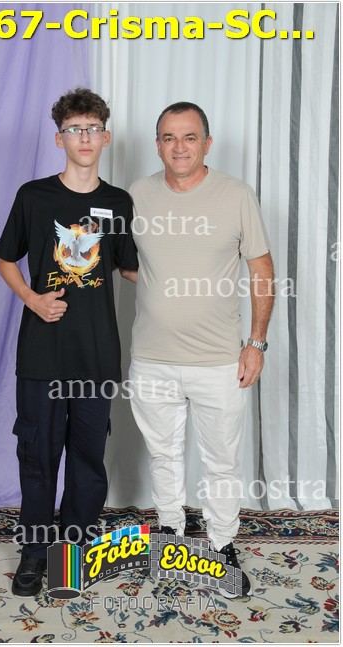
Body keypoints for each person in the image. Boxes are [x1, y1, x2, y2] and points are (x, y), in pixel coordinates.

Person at [127, 102, 274, 598]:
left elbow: (261, 270)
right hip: (152, 358)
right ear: (157, 145)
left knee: (221, 461)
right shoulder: (137, 195)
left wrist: (256, 343)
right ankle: (170, 535)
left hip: (219, 360)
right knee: (163, 454)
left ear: (207, 143)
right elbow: (126, 262)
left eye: (189, 137)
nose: (179, 147)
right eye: (169, 137)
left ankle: (221, 543)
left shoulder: (236, 194)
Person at [0, 88, 138, 597]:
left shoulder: (118, 203)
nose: (84, 137)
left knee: (87, 458)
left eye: (92, 128)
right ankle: (35, 553)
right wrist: (33, 300)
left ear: (106, 137)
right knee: (37, 456)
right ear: (60, 139)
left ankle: (72, 548)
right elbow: (5, 260)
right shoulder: (34, 197)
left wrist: (194, 267)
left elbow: (130, 268)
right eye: (74, 129)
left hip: (96, 355)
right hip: (42, 354)